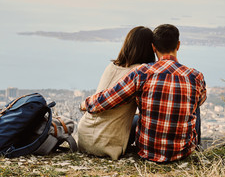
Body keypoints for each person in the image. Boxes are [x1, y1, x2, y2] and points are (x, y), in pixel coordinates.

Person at [81, 24, 207, 163]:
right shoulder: (195, 76)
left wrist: (85, 104)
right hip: (182, 153)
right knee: (194, 105)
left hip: (147, 151)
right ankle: (197, 149)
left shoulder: (142, 73)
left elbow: (107, 98)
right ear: (178, 45)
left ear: (154, 48)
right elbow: (200, 100)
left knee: (137, 118)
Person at [77, 26, 155, 160]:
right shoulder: (139, 73)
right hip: (104, 143)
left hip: (84, 136)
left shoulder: (112, 66)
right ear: (150, 48)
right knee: (141, 119)